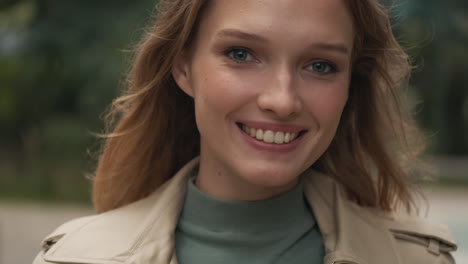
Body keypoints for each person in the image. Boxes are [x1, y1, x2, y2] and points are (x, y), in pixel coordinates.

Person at [33, 0, 458, 263]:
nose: (282, 99)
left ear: (351, 85)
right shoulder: (75, 258)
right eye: (241, 54)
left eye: (321, 66)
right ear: (183, 68)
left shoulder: (416, 260)